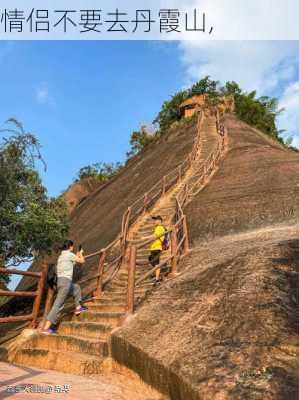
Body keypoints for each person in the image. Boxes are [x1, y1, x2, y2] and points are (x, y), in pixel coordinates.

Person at [42, 240, 87, 335]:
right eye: (72, 246)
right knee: (58, 305)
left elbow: (72, 263)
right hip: (65, 282)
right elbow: (82, 261)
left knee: (76, 288)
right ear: (70, 247)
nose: (73, 248)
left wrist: (77, 254)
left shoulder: (61, 257)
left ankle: (78, 307)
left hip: (61, 282)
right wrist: (81, 254)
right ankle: (46, 328)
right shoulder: (69, 255)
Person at [148, 216, 166, 284]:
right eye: (154, 220)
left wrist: (144, 237)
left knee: (156, 264)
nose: (154, 221)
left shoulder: (159, 227)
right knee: (151, 260)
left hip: (157, 248)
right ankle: (156, 275)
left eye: (156, 220)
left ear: (159, 221)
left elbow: (154, 236)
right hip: (154, 248)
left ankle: (157, 279)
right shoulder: (157, 228)